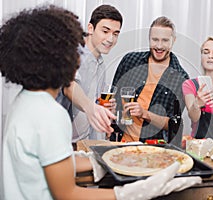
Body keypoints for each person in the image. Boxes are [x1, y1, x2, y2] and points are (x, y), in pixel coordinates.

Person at [0, 5, 202, 200]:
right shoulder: (52, 114)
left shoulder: (24, 102)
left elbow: (49, 163)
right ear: (57, 58)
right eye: (73, 51)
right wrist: (133, 193)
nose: (79, 58)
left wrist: (102, 158)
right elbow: (66, 193)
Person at [111, 16, 189, 144]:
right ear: (149, 39)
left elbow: (172, 124)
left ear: (173, 41)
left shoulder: (181, 78)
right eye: (155, 39)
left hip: (152, 149)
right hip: (120, 142)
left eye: (165, 40)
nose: (159, 46)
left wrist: (145, 114)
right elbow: (113, 99)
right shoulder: (130, 61)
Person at [56, 4, 122, 145]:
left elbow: (95, 101)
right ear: (90, 28)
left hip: (84, 142)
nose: (111, 39)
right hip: (63, 141)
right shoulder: (74, 54)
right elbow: (69, 86)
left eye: (115, 34)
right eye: (105, 31)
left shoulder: (101, 63)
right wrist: (91, 107)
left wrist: (105, 107)